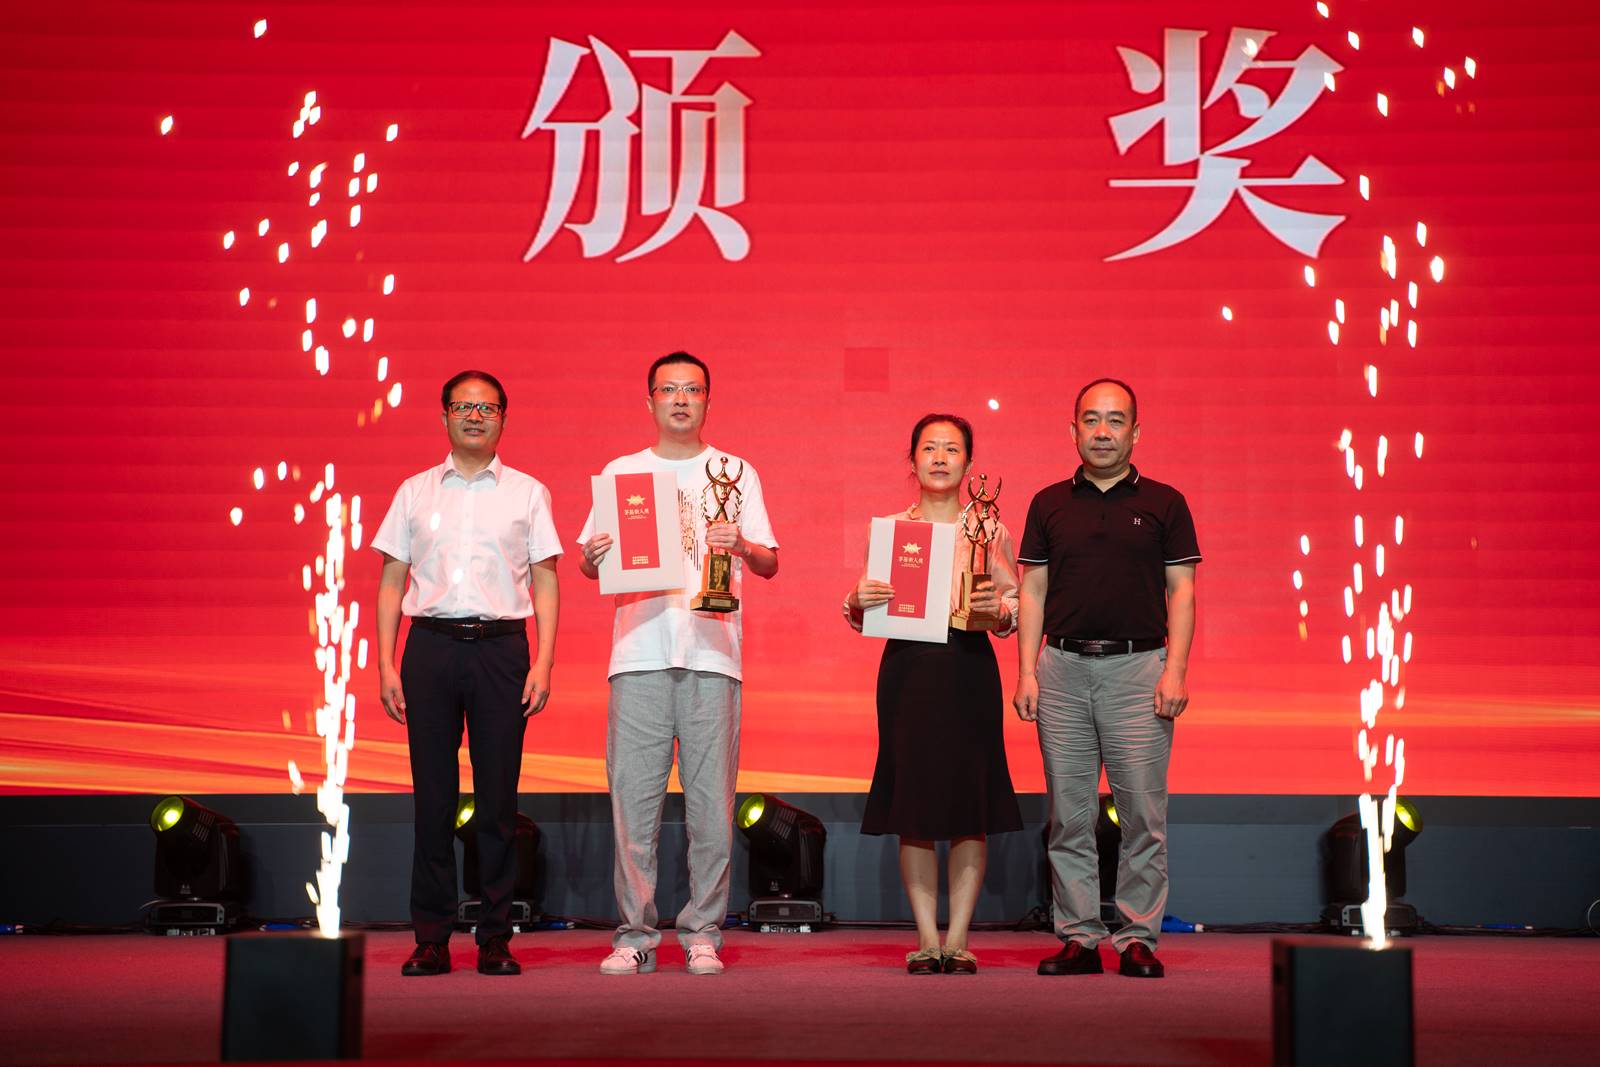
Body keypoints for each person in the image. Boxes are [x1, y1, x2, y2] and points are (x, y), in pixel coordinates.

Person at [577, 351, 779, 976]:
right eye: (669, 390)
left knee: (712, 809)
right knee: (633, 807)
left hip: (713, 656)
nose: (681, 399)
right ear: (650, 401)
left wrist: (742, 545)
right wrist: (593, 555)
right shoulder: (623, 473)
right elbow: (586, 562)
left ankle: (703, 931)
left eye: (692, 389)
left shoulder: (736, 471)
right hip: (638, 655)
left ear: (708, 400)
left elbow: (769, 561)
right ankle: (635, 934)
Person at [371, 370, 562, 977]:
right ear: (444, 416)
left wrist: (544, 660)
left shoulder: (528, 493)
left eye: (487, 408)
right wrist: (385, 663)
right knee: (432, 798)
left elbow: (546, 581)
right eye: (463, 406)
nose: (475, 416)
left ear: (503, 417)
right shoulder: (414, 492)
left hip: (502, 652)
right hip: (429, 649)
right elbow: (392, 581)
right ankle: (431, 938)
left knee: (497, 802)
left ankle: (495, 937)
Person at [1013, 378, 1200, 979]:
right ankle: (1079, 937)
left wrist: (1175, 670)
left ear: (1135, 432)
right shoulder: (1048, 503)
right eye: (1091, 420)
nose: (1102, 432)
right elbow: (1032, 591)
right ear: (1073, 431)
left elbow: (1182, 592)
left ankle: (1138, 937)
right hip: (1061, 670)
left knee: (1142, 814)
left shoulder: (1166, 503)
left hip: (1139, 670)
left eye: (1115, 421)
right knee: (1069, 816)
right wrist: (1026, 672)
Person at [843, 414, 1023, 975]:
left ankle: (959, 940)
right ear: (913, 459)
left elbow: (1014, 605)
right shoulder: (891, 530)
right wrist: (857, 600)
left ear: (969, 463)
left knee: (971, 805)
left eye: (952, 449)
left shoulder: (989, 530)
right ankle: (926, 939)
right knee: (915, 806)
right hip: (909, 670)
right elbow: (864, 610)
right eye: (929, 448)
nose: (940, 458)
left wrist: (1000, 612)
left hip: (969, 667)